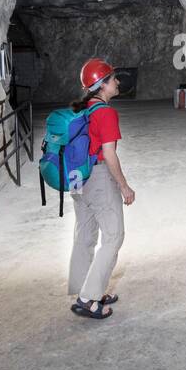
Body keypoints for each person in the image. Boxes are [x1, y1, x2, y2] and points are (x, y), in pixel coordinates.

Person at [68, 58, 135, 321]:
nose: (117, 82)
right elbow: (109, 155)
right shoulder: (105, 113)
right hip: (96, 177)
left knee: (85, 235)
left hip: (76, 178)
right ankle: (88, 298)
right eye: (113, 78)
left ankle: (84, 289)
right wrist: (124, 186)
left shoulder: (80, 110)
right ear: (102, 85)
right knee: (113, 236)